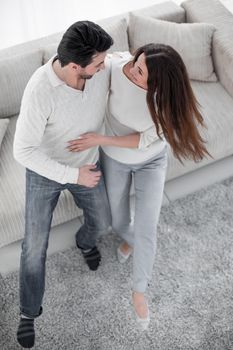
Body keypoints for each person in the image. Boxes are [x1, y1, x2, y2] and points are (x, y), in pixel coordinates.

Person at [68, 43, 210, 330]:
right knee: (118, 221)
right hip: (116, 161)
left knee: (148, 226)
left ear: (156, 84)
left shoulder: (165, 102)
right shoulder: (116, 68)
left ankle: (139, 292)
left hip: (150, 162)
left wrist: (100, 139)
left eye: (140, 71)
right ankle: (128, 238)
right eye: (136, 61)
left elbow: (144, 140)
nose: (133, 69)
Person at [13, 21, 113, 348]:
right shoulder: (40, 89)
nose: (104, 66)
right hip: (46, 171)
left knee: (102, 221)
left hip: (85, 162)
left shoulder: (101, 69)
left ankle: (84, 242)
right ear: (75, 67)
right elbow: (23, 150)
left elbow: (133, 63)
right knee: (33, 249)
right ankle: (28, 312)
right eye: (98, 63)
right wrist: (73, 176)